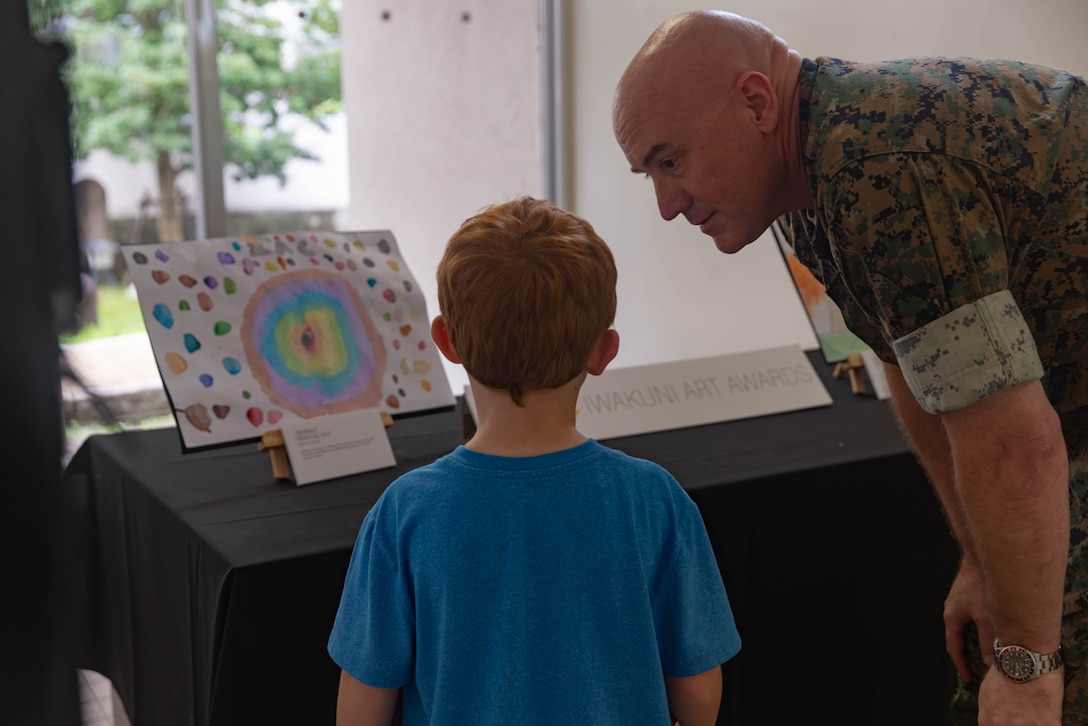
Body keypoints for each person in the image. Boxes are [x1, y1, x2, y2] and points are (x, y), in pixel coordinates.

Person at [612, 9, 1088, 726]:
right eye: (648, 173)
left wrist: (1029, 672)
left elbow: (1016, 448)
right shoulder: (810, 175)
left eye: (670, 161)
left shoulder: (879, 168)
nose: (667, 205)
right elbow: (908, 359)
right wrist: (979, 560)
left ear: (756, 101)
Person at [327, 195, 741, 726]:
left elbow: (362, 704)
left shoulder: (404, 512)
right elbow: (698, 692)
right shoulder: (653, 499)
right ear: (603, 351)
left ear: (446, 341)